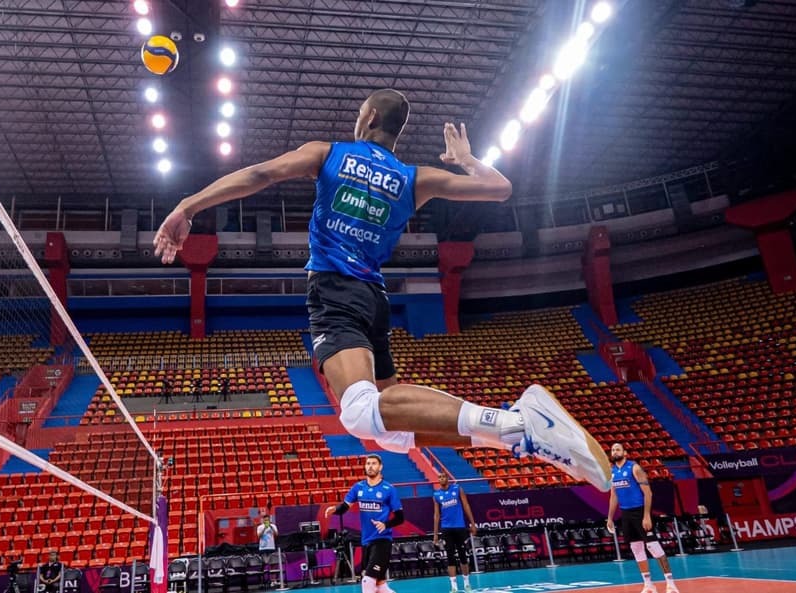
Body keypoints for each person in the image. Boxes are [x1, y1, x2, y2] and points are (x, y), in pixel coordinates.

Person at [154, 89, 611, 491]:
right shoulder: (416, 178)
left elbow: (259, 175)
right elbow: (500, 189)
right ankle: (517, 435)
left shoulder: (328, 153)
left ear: (370, 117)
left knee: (357, 413)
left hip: (335, 290)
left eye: (360, 113)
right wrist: (468, 160)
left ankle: (514, 421)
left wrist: (187, 206)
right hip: (373, 299)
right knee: (390, 433)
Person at [606, 443, 679, 593]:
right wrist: (610, 518)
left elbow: (648, 493)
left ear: (624, 452)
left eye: (618, 449)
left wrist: (646, 515)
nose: (615, 452)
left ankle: (670, 583)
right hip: (625, 514)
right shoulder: (612, 472)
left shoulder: (634, 468)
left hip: (640, 512)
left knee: (653, 547)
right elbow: (613, 496)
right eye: (613, 450)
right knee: (636, 548)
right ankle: (648, 584)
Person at [324, 454, 403, 593]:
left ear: (380, 467)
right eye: (368, 464)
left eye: (373, 463)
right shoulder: (358, 487)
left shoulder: (389, 489)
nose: (370, 466)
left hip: (382, 540)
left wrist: (386, 525)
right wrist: (334, 509)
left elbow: (400, 518)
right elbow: (344, 507)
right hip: (366, 541)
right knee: (380, 585)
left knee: (367, 580)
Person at [433, 472, 477, 593]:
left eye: (443, 477)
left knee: (463, 556)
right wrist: (435, 534)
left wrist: (472, 524)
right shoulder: (436, 494)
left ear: (447, 478)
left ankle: (467, 584)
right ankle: (453, 587)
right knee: (450, 557)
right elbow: (436, 515)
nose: (441, 479)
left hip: (460, 527)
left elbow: (466, 505)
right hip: (446, 529)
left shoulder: (457, 489)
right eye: (439, 477)